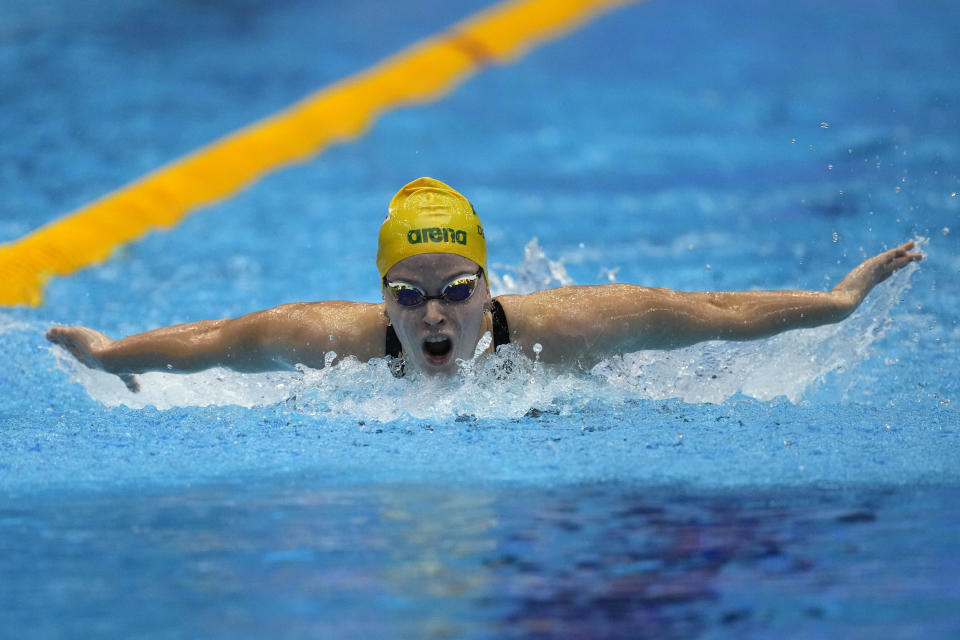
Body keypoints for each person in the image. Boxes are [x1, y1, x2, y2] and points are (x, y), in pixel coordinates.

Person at [47, 177, 922, 392]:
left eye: (457, 288)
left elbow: (716, 315)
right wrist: (108, 353)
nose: (434, 314)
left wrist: (840, 302)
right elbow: (211, 343)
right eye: (407, 292)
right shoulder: (333, 339)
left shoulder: (571, 327)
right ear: (380, 295)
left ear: (488, 281)